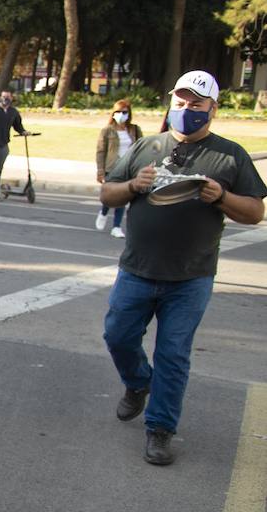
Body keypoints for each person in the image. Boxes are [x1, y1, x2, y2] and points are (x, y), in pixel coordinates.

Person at [100, 70, 266, 465]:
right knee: (117, 335)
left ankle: (159, 430)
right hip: (137, 270)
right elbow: (108, 192)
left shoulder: (229, 155)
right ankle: (139, 383)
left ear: (213, 108)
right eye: (180, 102)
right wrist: (133, 186)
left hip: (190, 277)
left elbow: (255, 212)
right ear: (170, 103)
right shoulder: (145, 146)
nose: (186, 109)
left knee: (173, 354)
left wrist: (222, 196)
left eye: (196, 104)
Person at [95, 99, 141, 239]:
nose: (121, 115)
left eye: (124, 112)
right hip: (112, 168)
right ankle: (103, 212)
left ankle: (116, 226)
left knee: (121, 198)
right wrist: (100, 170)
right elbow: (101, 151)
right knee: (109, 196)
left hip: (128, 168)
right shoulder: (107, 130)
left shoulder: (134, 129)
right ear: (113, 113)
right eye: (118, 112)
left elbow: (140, 147)